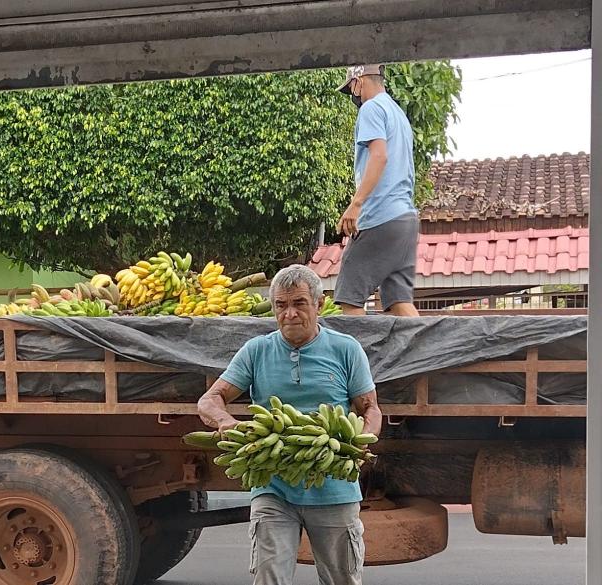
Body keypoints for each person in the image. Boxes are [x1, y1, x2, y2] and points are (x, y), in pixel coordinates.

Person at [197, 264, 382, 585]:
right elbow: (209, 400)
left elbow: (371, 408)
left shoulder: (345, 349)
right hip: (273, 488)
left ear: (319, 305)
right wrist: (227, 423)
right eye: (281, 306)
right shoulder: (257, 351)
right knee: (270, 578)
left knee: (343, 580)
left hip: (334, 488)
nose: (290, 314)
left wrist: (362, 438)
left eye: (299, 304)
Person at [334, 64, 420, 317]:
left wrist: (356, 204)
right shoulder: (397, 113)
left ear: (358, 81)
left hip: (380, 215)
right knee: (399, 302)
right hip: (405, 219)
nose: (354, 97)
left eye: (351, 90)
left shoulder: (371, 108)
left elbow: (379, 156)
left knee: (349, 298)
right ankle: (426, 354)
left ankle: (363, 358)